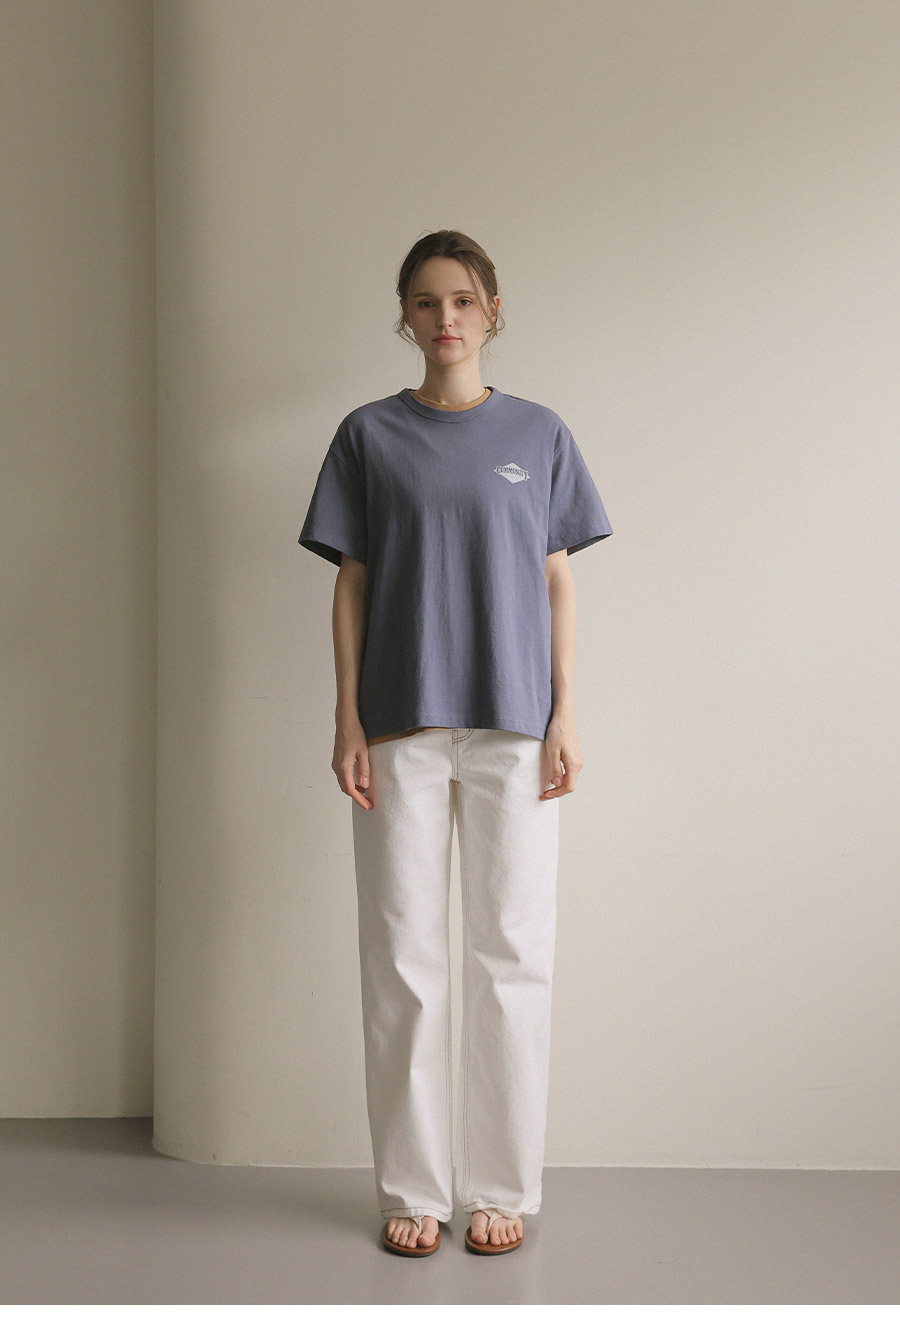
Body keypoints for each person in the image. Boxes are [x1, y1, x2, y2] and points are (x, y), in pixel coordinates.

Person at [298, 229, 612, 1257]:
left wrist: (566, 713)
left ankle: (501, 1188)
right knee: (404, 959)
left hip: (515, 725)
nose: (447, 319)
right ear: (405, 314)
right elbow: (351, 582)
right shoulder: (368, 435)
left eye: (465, 300)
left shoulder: (540, 433)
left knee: (511, 954)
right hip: (400, 725)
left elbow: (558, 579)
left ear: (492, 312)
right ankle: (414, 1188)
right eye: (428, 302)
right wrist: (347, 716)